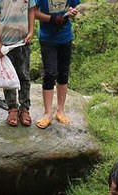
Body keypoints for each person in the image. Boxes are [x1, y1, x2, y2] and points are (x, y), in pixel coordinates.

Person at [0, 0, 36, 126]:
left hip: (22, 42)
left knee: (24, 76)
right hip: (6, 44)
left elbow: (31, 11)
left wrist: (31, 31)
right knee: (7, 76)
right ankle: (12, 108)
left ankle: (25, 108)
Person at [35, 0, 83, 128]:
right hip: (47, 38)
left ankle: (60, 111)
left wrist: (72, 12)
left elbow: (75, 6)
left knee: (63, 73)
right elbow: (33, 12)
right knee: (50, 73)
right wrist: (52, 19)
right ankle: (48, 113)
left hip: (65, 37)